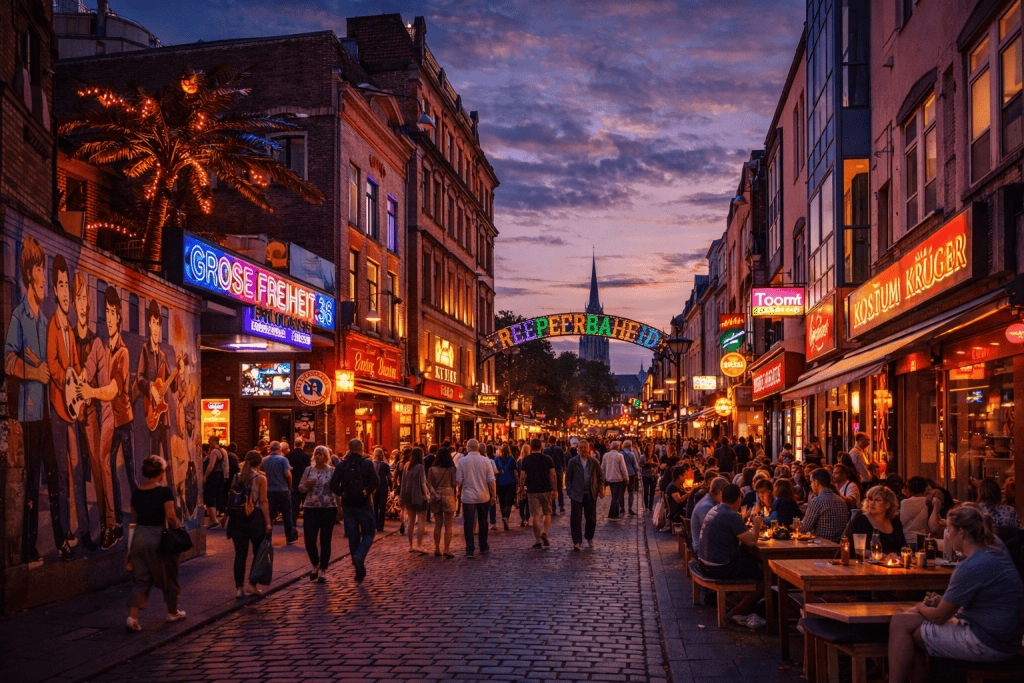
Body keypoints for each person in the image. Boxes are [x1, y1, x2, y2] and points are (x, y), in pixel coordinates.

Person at [888, 506, 1024, 683]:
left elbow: (939, 617)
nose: (947, 535)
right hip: (1008, 638)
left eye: (949, 530)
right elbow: (981, 601)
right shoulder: (995, 553)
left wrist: (920, 606)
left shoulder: (971, 565)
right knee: (901, 621)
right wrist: (942, 600)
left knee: (909, 629)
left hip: (989, 642)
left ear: (961, 532)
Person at [125, 456, 185, 631]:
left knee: (140, 579)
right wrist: (177, 528)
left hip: (139, 536)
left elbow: (134, 516)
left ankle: (132, 617)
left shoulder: (137, 492)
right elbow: (171, 515)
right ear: (161, 472)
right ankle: (172, 612)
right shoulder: (164, 492)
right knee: (169, 575)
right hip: (158, 536)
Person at [697, 484, 764, 623]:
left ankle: (740, 601)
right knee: (765, 572)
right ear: (739, 499)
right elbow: (751, 541)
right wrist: (757, 524)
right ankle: (738, 611)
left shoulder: (715, 509)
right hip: (719, 567)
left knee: (748, 563)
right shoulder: (732, 515)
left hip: (704, 562)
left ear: (722, 496)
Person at [329, 439, 379, 581]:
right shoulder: (367, 463)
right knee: (369, 532)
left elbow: (333, 484)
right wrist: (366, 491)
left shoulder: (342, 464)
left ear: (349, 448)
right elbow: (375, 481)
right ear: (361, 448)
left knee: (353, 536)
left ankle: (358, 570)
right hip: (364, 504)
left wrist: (342, 493)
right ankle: (360, 556)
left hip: (348, 504)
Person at [226, 450, 272, 598]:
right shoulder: (261, 478)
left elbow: (231, 498)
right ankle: (252, 584)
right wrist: (268, 522)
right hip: (255, 517)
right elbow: (263, 501)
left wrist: (226, 517)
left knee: (240, 554)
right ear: (259, 462)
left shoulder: (237, 476)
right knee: (257, 553)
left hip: (237, 519)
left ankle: (239, 588)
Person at [297, 446, 337, 583]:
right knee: (309, 540)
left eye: (321, 454)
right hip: (310, 508)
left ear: (326, 457)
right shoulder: (308, 470)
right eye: (316, 454)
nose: (318, 456)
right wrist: (307, 484)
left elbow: (336, 491)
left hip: (328, 508)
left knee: (325, 540)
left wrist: (340, 509)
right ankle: (315, 564)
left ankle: (322, 570)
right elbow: (300, 488)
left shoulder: (332, 471)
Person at [455, 439, 495, 557]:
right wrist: (493, 495)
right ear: (478, 448)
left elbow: (458, 480)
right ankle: (483, 545)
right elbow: (491, 480)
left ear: (467, 448)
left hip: (468, 497)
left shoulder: (462, 461)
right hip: (483, 496)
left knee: (468, 522)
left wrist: (456, 490)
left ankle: (470, 549)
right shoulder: (486, 460)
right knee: (483, 521)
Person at [565, 439, 604, 550]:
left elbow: (601, 477)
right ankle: (577, 541)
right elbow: (568, 478)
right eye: (581, 447)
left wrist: (600, 489)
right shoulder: (573, 462)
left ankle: (589, 536)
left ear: (588, 449)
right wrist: (570, 492)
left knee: (591, 519)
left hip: (590, 494)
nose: (583, 450)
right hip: (577, 494)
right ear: (577, 449)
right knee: (576, 518)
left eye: (585, 448)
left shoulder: (594, 462)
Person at [847, 485, 905, 556]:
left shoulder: (895, 521)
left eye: (877, 500)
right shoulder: (860, 521)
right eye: (870, 499)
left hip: (892, 562)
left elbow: (903, 546)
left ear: (887, 504)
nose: (872, 503)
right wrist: (880, 556)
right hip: (866, 562)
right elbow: (855, 549)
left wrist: (900, 555)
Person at [520, 438, 557, 549]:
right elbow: (553, 475)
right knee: (547, 513)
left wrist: (521, 490)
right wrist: (555, 489)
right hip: (546, 489)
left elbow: (522, 477)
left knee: (535, 515)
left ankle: (537, 540)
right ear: (541, 447)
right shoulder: (547, 459)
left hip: (532, 490)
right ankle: (544, 532)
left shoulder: (526, 460)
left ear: (531, 447)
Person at [261, 442, 297, 543]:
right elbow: (288, 475)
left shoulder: (264, 460)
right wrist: (289, 487)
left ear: (270, 448)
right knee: (287, 513)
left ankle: (268, 538)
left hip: (269, 490)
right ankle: (289, 536)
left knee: (270, 514)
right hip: (282, 490)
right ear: (279, 449)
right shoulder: (283, 459)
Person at [800, 468, 849, 543]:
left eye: (811, 482)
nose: (810, 485)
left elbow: (804, 529)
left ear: (816, 482)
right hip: (838, 544)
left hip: (821, 544)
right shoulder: (841, 501)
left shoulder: (816, 502)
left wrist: (795, 525)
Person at [427, 446, 458, 557]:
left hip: (437, 495)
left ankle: (436, 548)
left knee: (438, 523)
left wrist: (435, 493)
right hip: (448, 494)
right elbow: (454, 483)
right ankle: (446, 549)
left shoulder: (431, 469)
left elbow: (429, 484)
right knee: (448, 525)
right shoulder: (451, 469)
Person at [400, 447, 430, 554]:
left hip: (408, 495)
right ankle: (419, 545)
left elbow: (403, 482)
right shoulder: (420, 467)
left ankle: (410, 545)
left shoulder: (407, 466)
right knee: (421, 521)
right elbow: (423, 483)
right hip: (419, 496)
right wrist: (427, 495)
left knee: (411, 521)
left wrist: (401, 497)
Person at [691, 477, 729, 553]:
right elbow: (712, 532)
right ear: (720, 492)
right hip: (702, 551)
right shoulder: (706, 506)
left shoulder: (710, 502)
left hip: (707, 547)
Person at [901, 476, 942, 547]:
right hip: (924, 540)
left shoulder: (904, 502)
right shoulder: (932, 501)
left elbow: (902, 522)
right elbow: (933, 527)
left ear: (909, 489)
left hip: (907, 540)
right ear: (925, 488)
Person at [286, 437, 311, 539]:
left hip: (293, 484)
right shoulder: (306, 455)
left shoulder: (288, 456)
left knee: (294, 508)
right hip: (304, 484)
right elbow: (308, 470)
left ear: (294, 444)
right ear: (302, 445)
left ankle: (292, 527)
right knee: (306, 507)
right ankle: (307, 527)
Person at [203, 436, 229, 529]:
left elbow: (211, 466)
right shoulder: (223, 451)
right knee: (217, 496)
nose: (208, 443)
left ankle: (214, 520)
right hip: (221, 476)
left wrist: (205, 476)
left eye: (209, 441)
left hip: (214, 476)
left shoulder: (214, 451)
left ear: (214, 441)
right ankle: (214, 519)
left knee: (210, 497)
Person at [601, 440, 629, 520]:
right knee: (615, 497)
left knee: (614, 496)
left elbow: (602, 468)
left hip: (609, 478)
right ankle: (611, 514)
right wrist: (626, 478)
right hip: (618, 479)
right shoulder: (619, 456)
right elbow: (623, 468)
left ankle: (616, 514)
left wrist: (603, 478)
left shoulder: (605, 455)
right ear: (617, 447)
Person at [494, 444, 519, 531]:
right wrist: (518, 483)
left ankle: (504, 516)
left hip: (500, 482)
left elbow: (495, 471)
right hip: (510, 482)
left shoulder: (496, 459)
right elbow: (515, 472)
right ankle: (506, 518)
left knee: (502, 502)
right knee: (509, 503)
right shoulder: (511, 459)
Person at [543, 436, 567, 514]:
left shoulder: (545, 450)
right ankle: (561, 506)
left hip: (549, 472)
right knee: (559, 488)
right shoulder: (560, 449)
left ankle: (553, 508)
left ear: (548, 441)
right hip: (558, 470)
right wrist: (564, 470)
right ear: (555, 441)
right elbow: (563, 461)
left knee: (551, 489)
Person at [371, 448, 392, 532]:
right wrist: (391, 487)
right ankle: (381, 526)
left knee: (374, 506)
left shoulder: (371, 464)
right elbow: (389, 477)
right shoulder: (385, 465)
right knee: (382, 507)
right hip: (383, 487)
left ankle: (375, 524)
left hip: (373, 488)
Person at [621, 439, 640, 515]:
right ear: (629, 446)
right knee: (631, 491)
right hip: (631, 474)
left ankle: (622, 508)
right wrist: (637, 472)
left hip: (622, 474)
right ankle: (630, 508)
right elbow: (635, 465)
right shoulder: (631, 454)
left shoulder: (620, 453)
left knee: (622, 492)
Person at [640, 442, 659, 513]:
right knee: (646, 491)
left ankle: (650, 507)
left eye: (652, 448)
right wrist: (647, 464)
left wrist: (652, 464)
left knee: (652, 492)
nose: (651, 449)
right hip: (645, 475)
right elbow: (641, 464)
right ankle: (646, 507)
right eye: (649, 448)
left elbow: (658, 464)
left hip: (653, 475)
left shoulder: (654, 456)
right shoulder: (643, 457)